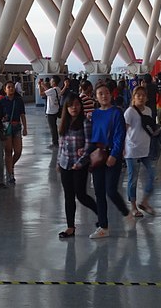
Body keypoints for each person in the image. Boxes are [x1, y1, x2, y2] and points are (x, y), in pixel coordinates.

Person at [78, 81, 130, 239]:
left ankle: (126, 213)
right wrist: (85, 151)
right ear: (96, 97)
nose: (104, 96)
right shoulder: (94, 114)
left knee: (111, 190)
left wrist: (115, 155)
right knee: (99, 192)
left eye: (106, 93)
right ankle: (103, 226)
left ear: (111, 94)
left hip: (111, 155)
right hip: (97, 155)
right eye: (100, 94)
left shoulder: (117, 112)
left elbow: (120, 135)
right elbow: (91, 136)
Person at [57, 94, 98, 239]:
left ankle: (101, 215)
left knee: (81, 195)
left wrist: (80, 162)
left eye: (77, 104)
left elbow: (89, 145)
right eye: (71, 105)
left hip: (79, 165)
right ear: (66, 108)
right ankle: (70, 227)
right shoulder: (64, 123)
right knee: (68, 196)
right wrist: (58, 162)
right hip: (65, 164)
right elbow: (61, 145)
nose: (74, 107)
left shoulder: (85, 122)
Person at [123, 87, 156, 218]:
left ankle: (145, 201)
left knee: (153, 175)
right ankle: (133, 207)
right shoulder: (130, 112)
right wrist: (122, 148)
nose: (141, 97)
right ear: (133, 97)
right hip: (132, 150)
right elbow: (123, 130)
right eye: (138, 95)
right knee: (133, 179)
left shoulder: (148, 110)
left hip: (145, 149)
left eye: (143, 95)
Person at [0, 80, 28, 185]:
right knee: (8, 151)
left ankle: (10, 165)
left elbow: (22, 114)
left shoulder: (18, 100)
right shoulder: (2, 102)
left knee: (18, 151)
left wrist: (25, 127)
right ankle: (10, 174)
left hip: (17, 127)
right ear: (5, 89)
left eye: (12, 87)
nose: (11, 89)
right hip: (6, 128)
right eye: (9, 87)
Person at [44, 75, 62, 147]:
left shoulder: (52, 90)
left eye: (51, 81)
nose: (50, 82)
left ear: (54, 82)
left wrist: (40, 86)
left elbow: (42, 93)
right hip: (56, 110)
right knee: (54, 126)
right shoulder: (58, 89)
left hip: (50, 111)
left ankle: (55, 142)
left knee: (52, 127)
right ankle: (56, 141)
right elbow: (48, 91)